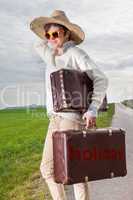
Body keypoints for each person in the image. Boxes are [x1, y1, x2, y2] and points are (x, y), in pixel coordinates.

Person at [30, 10, 109, 200]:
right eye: (47, 35)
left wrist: (92, 109)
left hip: (72, 118)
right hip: (55, 118)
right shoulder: (52, 57)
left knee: (76, 173)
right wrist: (51, 34)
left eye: (55, 34)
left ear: (66, 33)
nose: (50, 38)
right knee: (47, 169)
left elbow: (101, 78)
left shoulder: (75, 53)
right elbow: (37, 44)